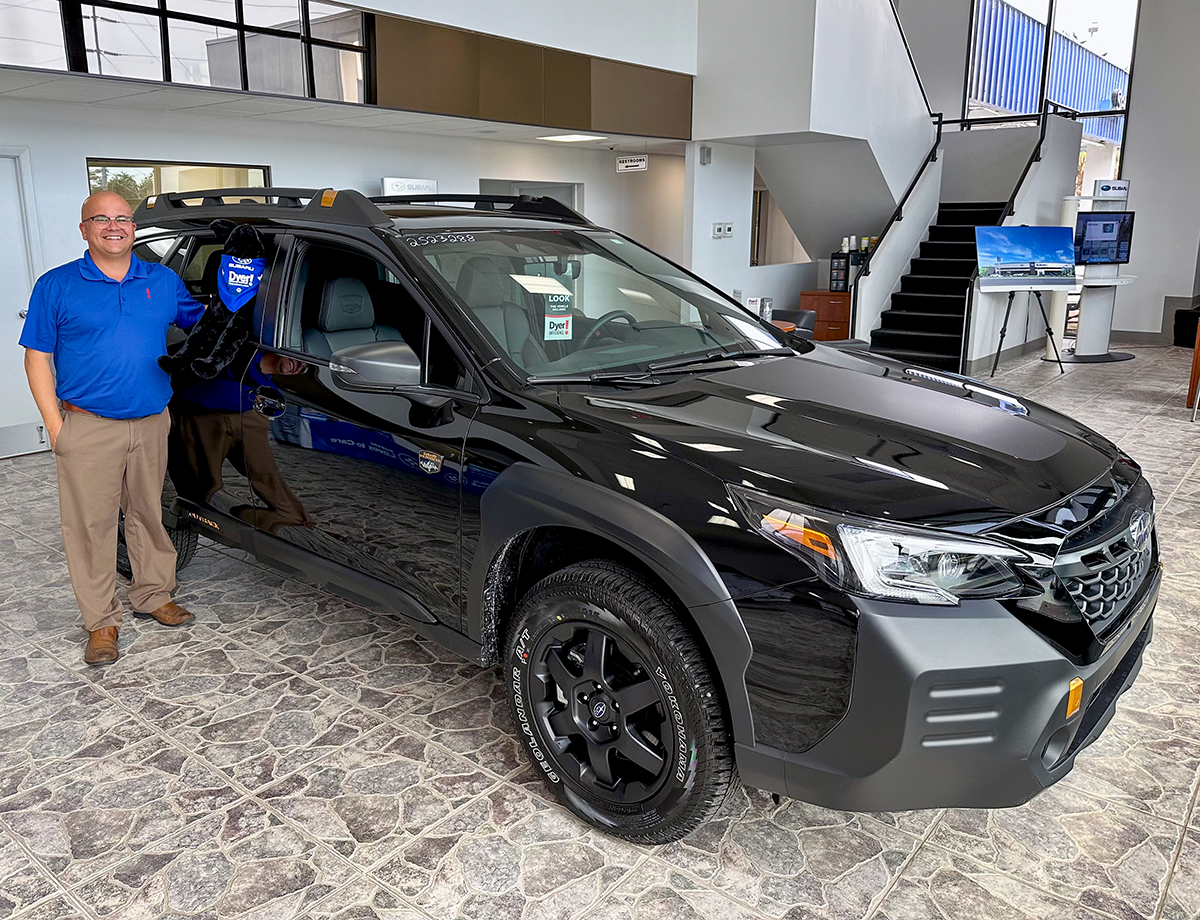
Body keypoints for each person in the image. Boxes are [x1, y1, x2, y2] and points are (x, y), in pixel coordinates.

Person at [20, 190, 206, 665]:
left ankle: (152, 593)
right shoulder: (57, 285)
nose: (114, 226)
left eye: (122, 218)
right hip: (87, 425)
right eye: (100, 219)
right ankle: (101, 622)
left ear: (134, 228)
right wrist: (55, 427)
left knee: (148, 511)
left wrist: (241, 297)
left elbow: (204, 326)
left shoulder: (161, 280)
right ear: (84, 229)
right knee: (91, 526)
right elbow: (37, 356)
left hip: (150, 421)